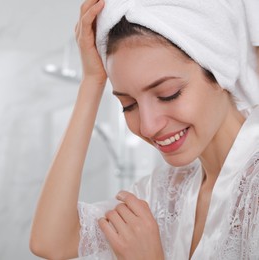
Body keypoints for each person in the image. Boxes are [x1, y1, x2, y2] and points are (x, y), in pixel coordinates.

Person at [30, 0, 259, 259]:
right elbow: (51, 242)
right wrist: (92, 81)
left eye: (168, 94)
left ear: (220, 73)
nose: (148, 126)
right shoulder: (169, 189)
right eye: (128, 105)